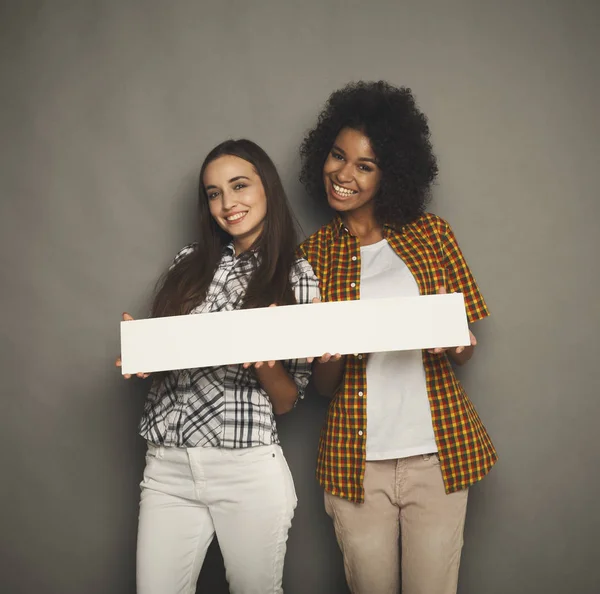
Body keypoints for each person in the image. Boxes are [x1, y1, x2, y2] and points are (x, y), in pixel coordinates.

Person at [297, 81, 497, 594]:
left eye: (364, 165)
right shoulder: (312, 255)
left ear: (390, 173)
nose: (344, 174)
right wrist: (331, 355)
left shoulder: (433, 234)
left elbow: (465, 346)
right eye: (338, 156)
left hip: (437, 456)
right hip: (356, 463)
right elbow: (321, 387)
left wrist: (455, 343)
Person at [116, 139, 320, 594]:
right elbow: (172, 353)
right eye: (214, 193)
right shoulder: (190, 262)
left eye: (240, 186)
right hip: (167, 466)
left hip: (245, 468)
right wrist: (142, 355)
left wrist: (266, 363)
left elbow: (288, 400)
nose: (228, 204)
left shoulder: (296, 275)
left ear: (267, 186)